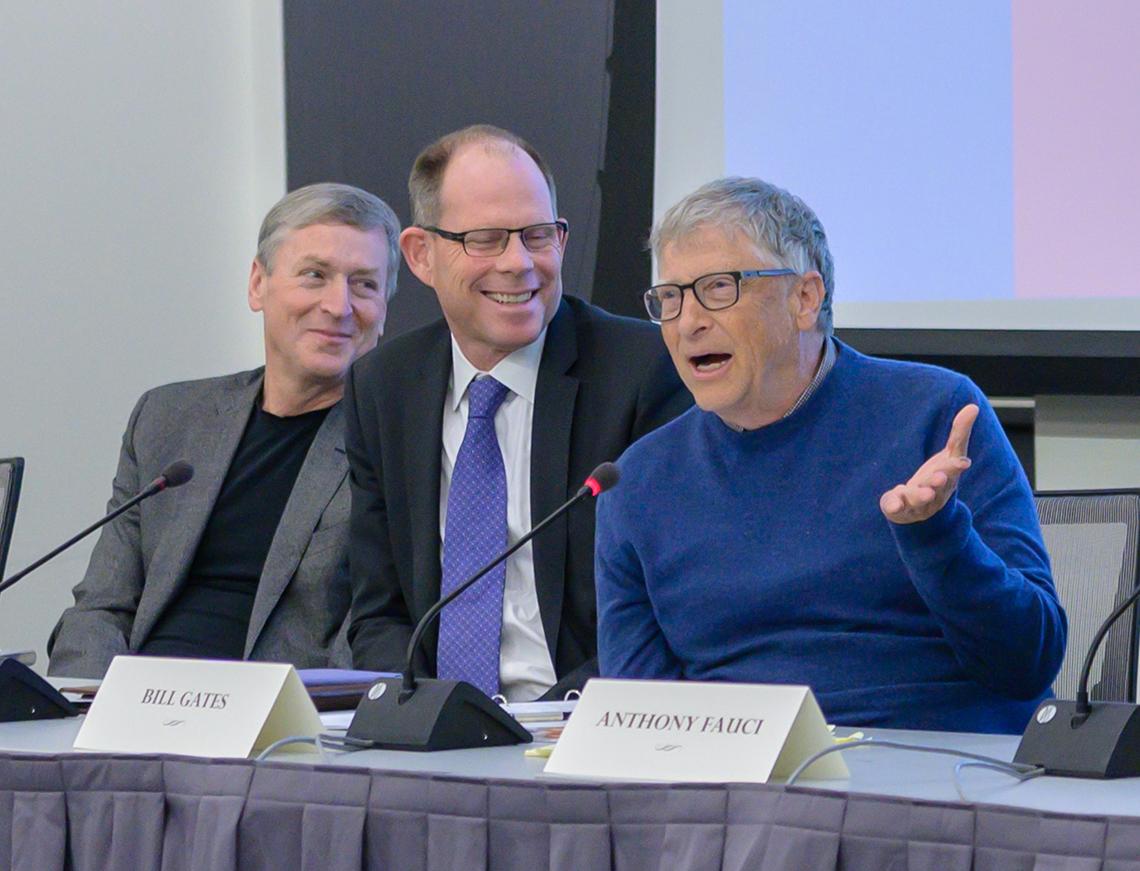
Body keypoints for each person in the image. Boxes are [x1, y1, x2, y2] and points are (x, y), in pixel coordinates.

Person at [595, 176, 1066, 732]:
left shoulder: (937, 414)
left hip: (936, 769)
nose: (689, 321)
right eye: (670, 297)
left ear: (805, 298)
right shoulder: (637, 482)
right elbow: (638, 717)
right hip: (743, 793)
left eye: (719, 288)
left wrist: (938, 537)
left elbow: (1028, 664)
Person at [345, 125, 691, 701]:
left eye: (537, 235)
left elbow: (665, 610)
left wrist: (538, 727)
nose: (519, 263)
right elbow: (378, 612)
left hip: (581, 720)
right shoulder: (384, 386)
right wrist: (424, 713)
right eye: (484, 239)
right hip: (435, 729)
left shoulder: (643, 373)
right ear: (420, 255)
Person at [48, 183, 400, 678]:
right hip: (128, 714)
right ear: (258, 284)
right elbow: (101, 607)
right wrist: (90, 707)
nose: (339, 306)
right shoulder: (168, 418)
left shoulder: (398, 445)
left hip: (276, 724)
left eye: (364, 284)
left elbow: (370, 638)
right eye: (314, 275)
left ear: (385, 307)